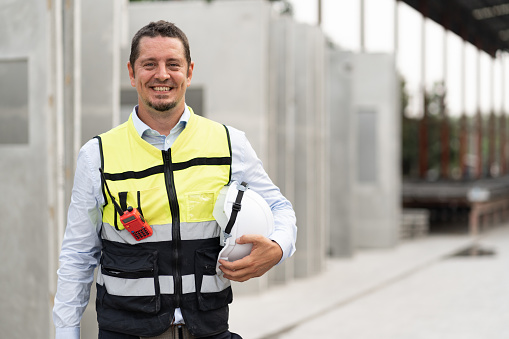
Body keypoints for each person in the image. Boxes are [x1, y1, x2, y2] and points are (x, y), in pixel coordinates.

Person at [53, 20, 297, 339]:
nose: (162, 75)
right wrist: (66, 333)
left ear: (189, 72)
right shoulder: (97, 155)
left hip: (208, 330)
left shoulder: (229, 143)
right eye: (149, 64)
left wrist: (277, 248)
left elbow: (279, 207)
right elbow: (78, 255)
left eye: (173, 64)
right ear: (132, 72)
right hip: (126, 332)